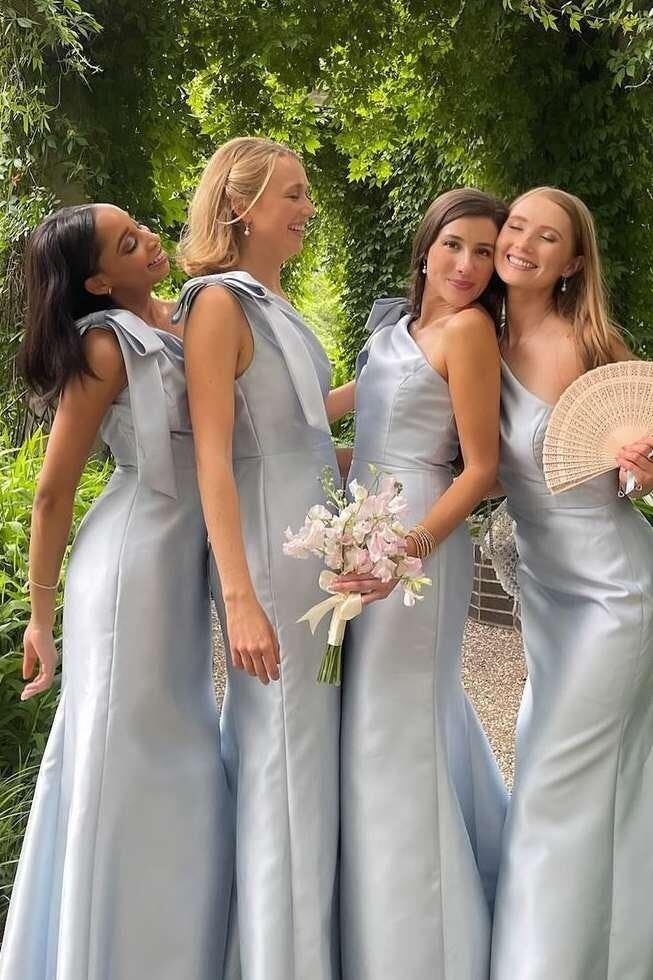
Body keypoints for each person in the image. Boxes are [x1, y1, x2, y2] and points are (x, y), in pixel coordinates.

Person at [0, 204, 235, 980]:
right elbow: (51, 493)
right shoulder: (105, 344)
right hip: (131, 563)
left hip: (182, 560)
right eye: (128, 244)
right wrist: (41, 619)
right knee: (125, 753)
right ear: (98, 281)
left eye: (141, 228)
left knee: (182, 748)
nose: (151, 241)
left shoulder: (191, 313)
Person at [173, 136, 352, 980]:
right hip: (270, 564)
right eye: (293, 193)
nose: (308, 208)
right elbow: (213, 456)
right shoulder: (217, 304)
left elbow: (306, 430)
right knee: (283, 755)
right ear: (240, 207)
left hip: (314, 549)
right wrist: (239, 597)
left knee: (303, 759)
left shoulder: (275, 303)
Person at [332, 189, 509, 979]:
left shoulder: (469, 333)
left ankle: (421, 946)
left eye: (484, 252)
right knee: (369, 721)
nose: (466, 265)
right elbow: (326, 423)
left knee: (394, 725)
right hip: (360, 530)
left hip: (418, 550)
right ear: (426, 246)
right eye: (454, 245)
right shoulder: (391, 332)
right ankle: (369, 922)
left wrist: (402, 551)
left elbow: (480, 467)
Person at [490, 186, 653, 980]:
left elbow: (640, 469)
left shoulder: (593, 344)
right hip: (546, 594)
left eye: (545, 236)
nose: (522, 243)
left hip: (614, 592)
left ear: (571, 262)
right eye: (515, 226)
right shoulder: (476, 341)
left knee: (555, 778)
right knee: (574, 770)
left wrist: (641, 469)